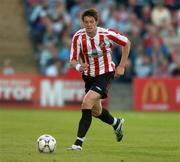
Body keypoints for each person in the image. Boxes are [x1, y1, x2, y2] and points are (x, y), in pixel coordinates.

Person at [68, 8, 131, 151]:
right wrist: (78, 67)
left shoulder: (107, 34)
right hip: (89, 76)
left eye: (91, 21)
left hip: (105, 73)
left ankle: (78, 144)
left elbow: (127, 43)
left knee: (86, 102)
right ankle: (116, 123)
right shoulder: (78, 37)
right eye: (86, 22)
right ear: (82, 23)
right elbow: (72, 61)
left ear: (97, 22)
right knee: (96, 111)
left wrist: (121, 66)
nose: (89, 24)